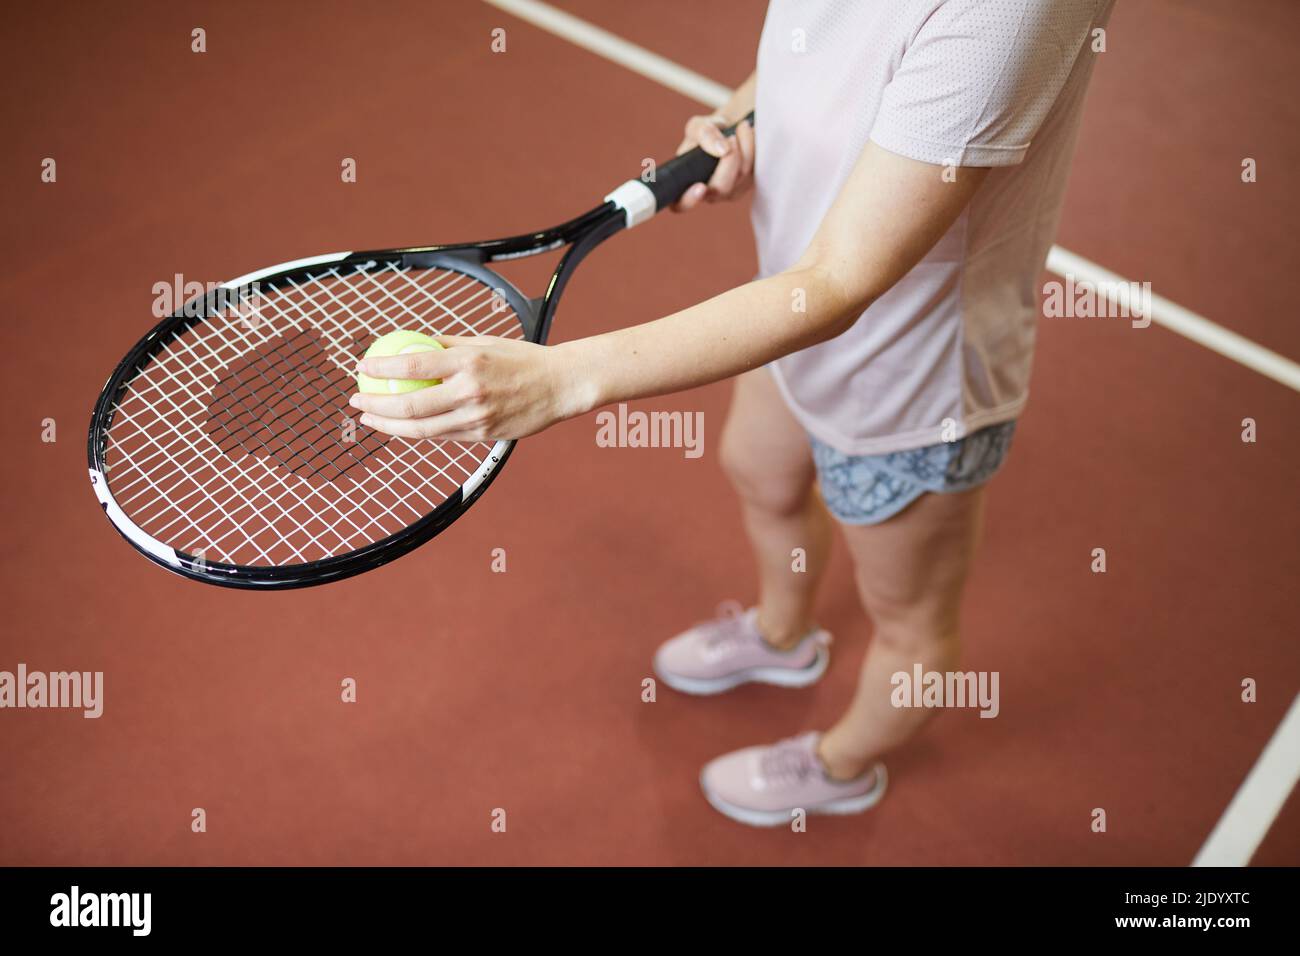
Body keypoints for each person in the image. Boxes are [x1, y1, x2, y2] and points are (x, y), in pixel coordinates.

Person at [351, 0, 1116, 826]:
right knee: (760, 474)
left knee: (912, 625)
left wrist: (564, 378)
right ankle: (785, 638)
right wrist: (737, 116)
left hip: (910, 386)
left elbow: (839, 284)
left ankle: (843, 763)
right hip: (785, 316)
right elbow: (822, 49)